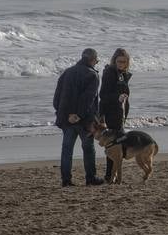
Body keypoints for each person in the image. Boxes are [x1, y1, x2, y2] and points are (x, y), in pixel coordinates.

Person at [53, 48, 103, 187]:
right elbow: (88, 98)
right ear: (92, 60)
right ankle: (90, 178)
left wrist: (63, 114)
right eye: (96, 60)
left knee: (67, 149)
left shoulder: (67, 72)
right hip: (85, 119)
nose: (96, 63)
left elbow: (57, 97)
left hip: (67, 119)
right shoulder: (93, 75)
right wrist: (79, 115)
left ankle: (66, 180)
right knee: (88, 148)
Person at [98, 48, 133, 181]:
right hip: (110, 113)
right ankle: (109, 175)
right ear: (114, 60)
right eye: (119, 61)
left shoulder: (123, 74)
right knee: (112, 145)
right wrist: (117, 97)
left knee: (116, 145)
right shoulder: (109, 73)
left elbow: (125, 94)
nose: (121, 64)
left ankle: (112, 174)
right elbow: (103, 95)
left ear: (127, 62)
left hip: (121, 112)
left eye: (124, 62)